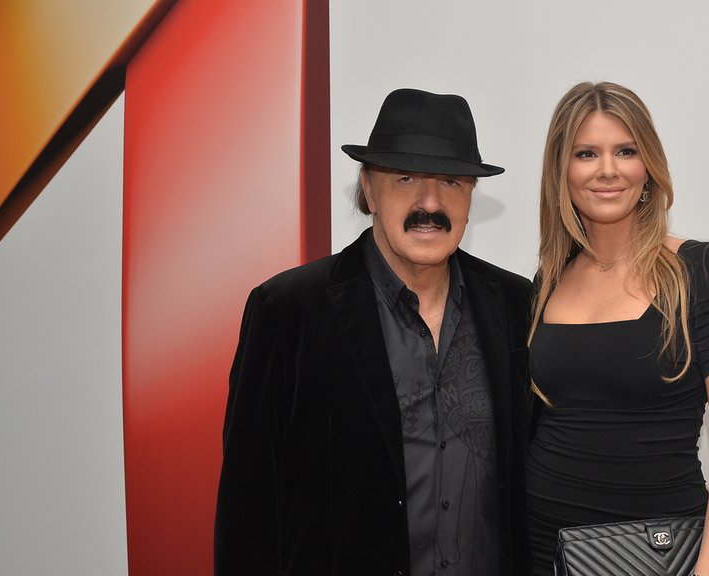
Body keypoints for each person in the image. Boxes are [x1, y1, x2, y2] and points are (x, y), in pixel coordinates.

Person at [215, 88, 533, 576]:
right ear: (368, 188)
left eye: (451, 181)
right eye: (406, 178)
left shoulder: (515, 305)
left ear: (472, 195)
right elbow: (249, 506)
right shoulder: (289, 311)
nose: (430, 203)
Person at [525, 81, 709, 576]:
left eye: (626, 150)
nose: (607, 170)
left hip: (662, 556)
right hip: (542, 549)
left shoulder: (704, 271)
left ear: (649, 166)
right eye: (585, 153)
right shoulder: (548, 280)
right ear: (561, 170)